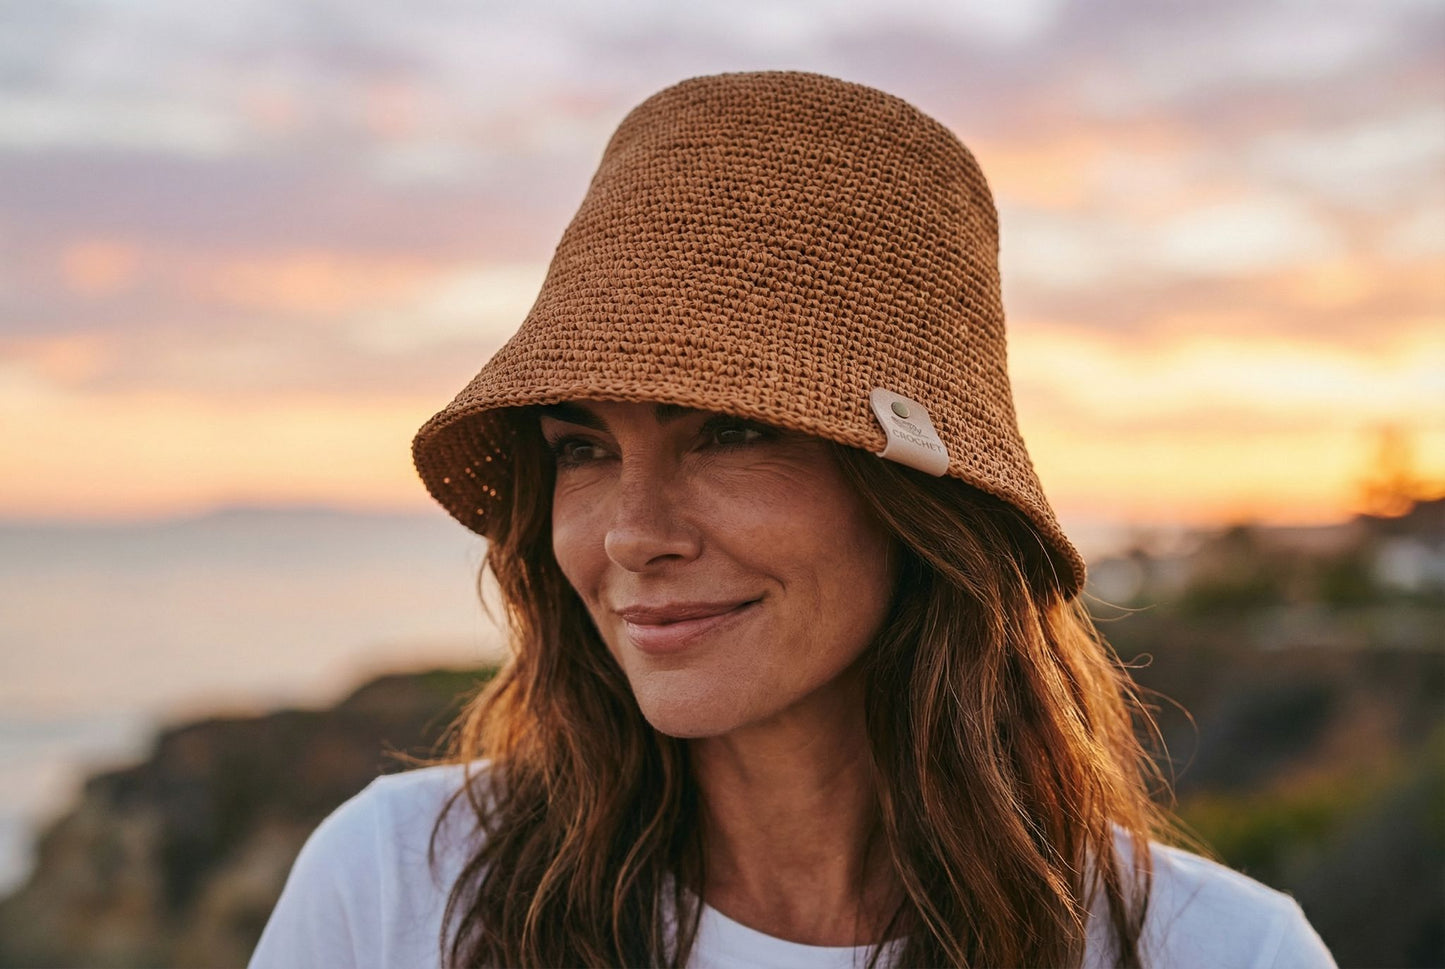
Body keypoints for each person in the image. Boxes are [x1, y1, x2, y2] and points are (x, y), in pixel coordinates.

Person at [249, 70, 1336, 968]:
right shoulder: (400, 889)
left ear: (915, 500)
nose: (632, 532)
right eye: (582, 448)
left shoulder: (1218, 952)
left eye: (727, 433)